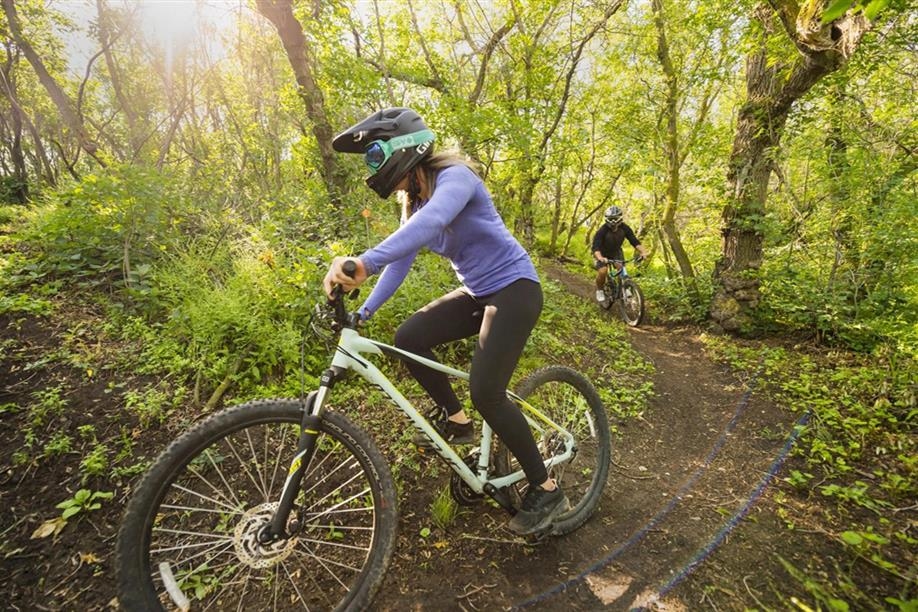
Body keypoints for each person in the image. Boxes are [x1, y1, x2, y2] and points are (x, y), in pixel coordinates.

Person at [322, 107, 569, 536]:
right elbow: (400, 259)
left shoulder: (456, 178)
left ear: (404, 146)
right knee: (409, 337)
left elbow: (434, 222)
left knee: (487, 391)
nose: (374, 167)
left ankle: (545, 487)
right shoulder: (413, 201)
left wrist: (364, 261)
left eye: (376, 155)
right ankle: (458, 422)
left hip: (515, 289)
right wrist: (363, 312)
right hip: (477, 293)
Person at [591, 205, 649, 301]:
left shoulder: (625, 228)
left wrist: (643, 252)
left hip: (616, 252)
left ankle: (625, 287)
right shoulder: (602, 230)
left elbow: (634, 241)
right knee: (603, 271)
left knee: (622, 270)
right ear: (607, 219)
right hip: (601, 253)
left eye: (615, 218)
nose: (613, 221)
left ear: (620, 218)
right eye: (611, 219)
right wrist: (600, 258)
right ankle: (600, 290)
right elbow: (595, 247)